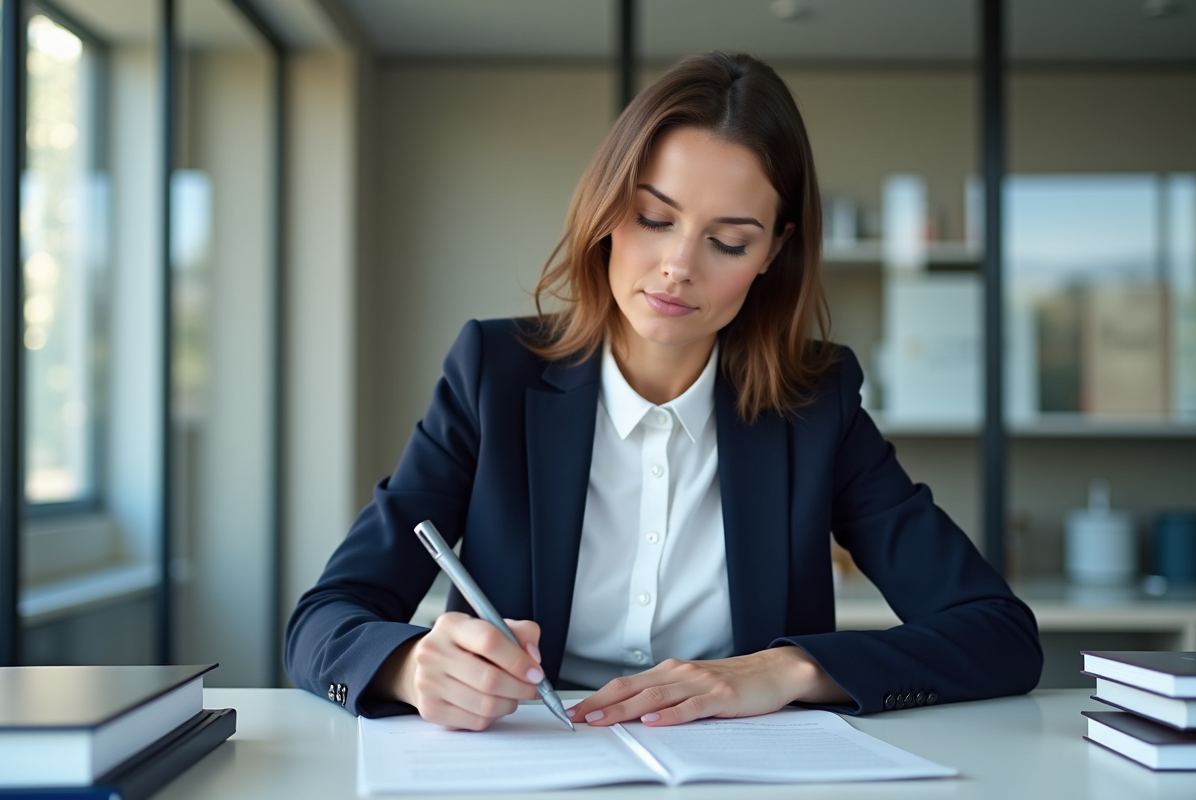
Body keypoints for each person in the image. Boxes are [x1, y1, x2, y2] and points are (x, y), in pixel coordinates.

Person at [284, 51, 1042, 732]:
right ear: (608, 211)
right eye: (654, 218)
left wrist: (786, 670)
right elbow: (323, 622)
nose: (679, 266)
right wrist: (410, 668)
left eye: (729, 240)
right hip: (525, 769)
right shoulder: (493, 373)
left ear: (774, 253)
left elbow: (998, 633)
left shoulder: (817, 403)